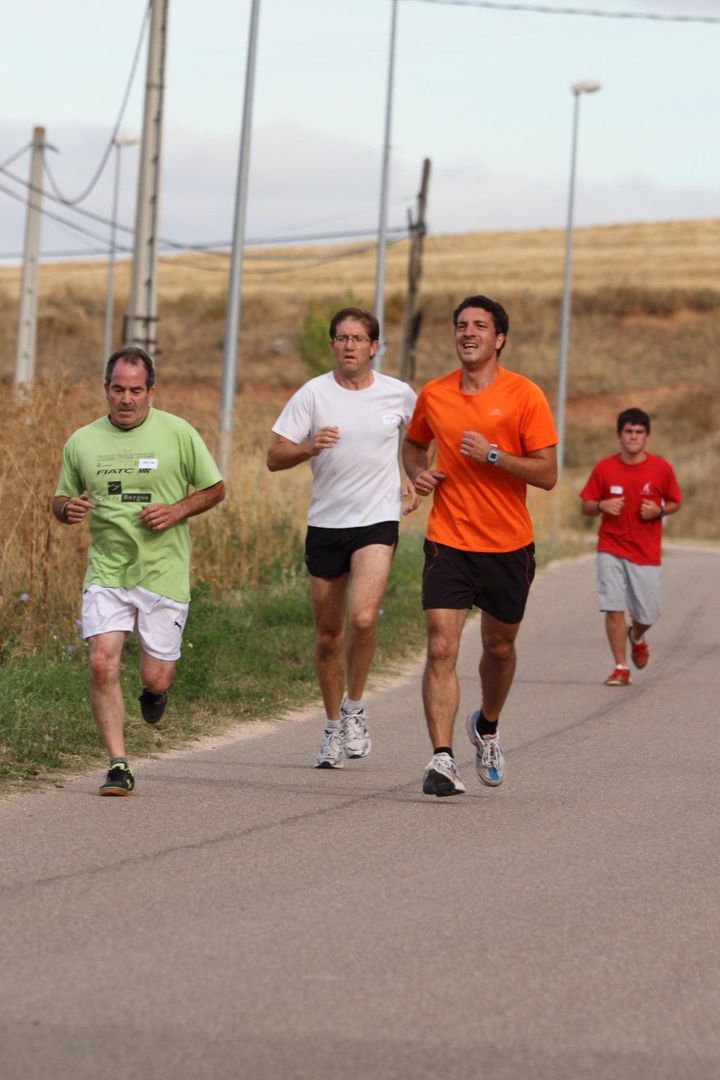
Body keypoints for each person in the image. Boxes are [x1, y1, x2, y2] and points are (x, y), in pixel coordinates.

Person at [402, 294, 558, 797]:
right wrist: (419, 474)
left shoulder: (524, 395)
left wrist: (494, 455)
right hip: (449, 539)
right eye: (461, 325)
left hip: (509, 543)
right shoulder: (436, 393)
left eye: (480, 326)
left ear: (499, 338)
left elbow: (548, 473)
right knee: (442, 645)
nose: (468, 333)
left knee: (499, 646)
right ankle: (442, 760)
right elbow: (413, 444)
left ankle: (487, 726)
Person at [52, 346, 225, 796]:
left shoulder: (178, 433)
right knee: (100, 661)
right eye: (117, 389)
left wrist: (177, 511)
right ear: (105, 389)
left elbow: (215, 488)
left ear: (151, 391)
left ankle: (155, 694)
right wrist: (66, 508)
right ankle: (118, 764)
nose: (125, 399)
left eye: (135, 390)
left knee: (155, 676)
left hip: (163, 572)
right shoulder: (82, 441)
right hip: (107, 572)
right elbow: (60, 497)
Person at [267, 307, 416, 768]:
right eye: (341, 338)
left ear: (374, 347)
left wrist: (412, 475)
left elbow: (418, 443)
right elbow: (274, 456)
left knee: (365, 618)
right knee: (329, 636)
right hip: (327, 524)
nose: (349, 345)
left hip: (377, 519)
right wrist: (309, 446)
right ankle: (332, 727)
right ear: (333, 345)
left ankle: (355, 707)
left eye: (358, 338)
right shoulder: (313, 394)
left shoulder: (399, 394)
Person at [579, 407, 681, 687]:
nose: (633, 437)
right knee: (612, 607)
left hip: (646, 554)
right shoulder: (604, 467)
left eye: (638, 432)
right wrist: (601, 505)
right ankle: (621, 667)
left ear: (646, 437)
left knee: (648, 613)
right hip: (610, 547)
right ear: (619, 436)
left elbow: (675, 501)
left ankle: (636, 635)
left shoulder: (662, 469)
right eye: (628, 432)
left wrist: (659, 510)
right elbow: (586, 505)